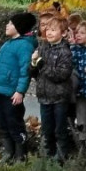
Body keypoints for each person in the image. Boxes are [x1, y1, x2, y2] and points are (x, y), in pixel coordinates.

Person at [0, 13, 38, 164]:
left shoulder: (25, 46)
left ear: (19, 27)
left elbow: (25, 71)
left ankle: (20, 155)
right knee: (2, 123)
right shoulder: (7, 44)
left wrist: (20, 91)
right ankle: (8, 152)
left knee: (14, 123)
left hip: (12, 93)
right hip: (0, 91)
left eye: (10, 23)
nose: (7, 25)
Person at [30, 16, 73, 161]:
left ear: (63, 33)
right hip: (44, 96)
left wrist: (41, 64)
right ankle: (47, 157)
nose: (49, 32)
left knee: (59, 130)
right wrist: (33, 63)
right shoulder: (42, 47)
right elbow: (33, 73)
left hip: (59, 97)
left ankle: (61, 159)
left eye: (53, 30)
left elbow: (61, 75)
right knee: (46, 130)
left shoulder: (65, 51)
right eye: (47, 29)